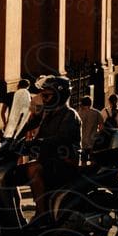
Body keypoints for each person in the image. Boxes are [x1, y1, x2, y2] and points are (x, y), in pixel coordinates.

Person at [21, 74, 83, 218]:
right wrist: (13, 136)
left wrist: (38, 142)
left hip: (65, 160)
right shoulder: (47, 114)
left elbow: (61, 138)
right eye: (43, 95)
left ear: (59, 96)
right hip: (50, 159)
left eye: (47, 96)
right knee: (19, 171)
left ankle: (42, 214)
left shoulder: (69, 115)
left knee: (33, 169)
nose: (43, 99)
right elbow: (32, 126)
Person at [77, 93, 101, 158]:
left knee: (83, 161)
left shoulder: (78, 114)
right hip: (93, 142)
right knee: (93, 161)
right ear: (91, 103)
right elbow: (102, 127)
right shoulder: (97, 113)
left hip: (82, 143)